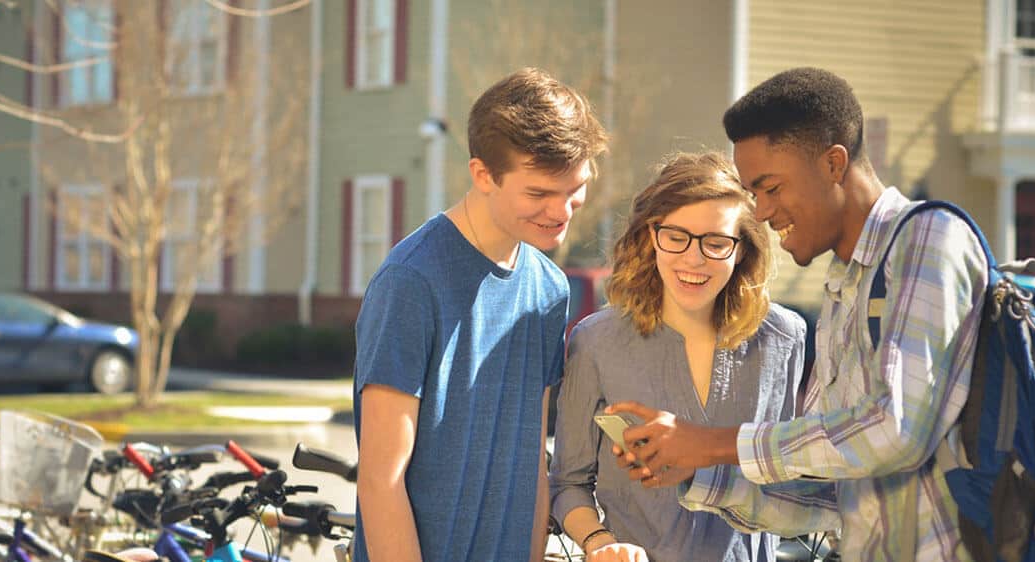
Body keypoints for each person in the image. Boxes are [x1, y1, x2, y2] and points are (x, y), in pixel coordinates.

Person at [608, 67, 991, 561]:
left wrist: (713, 443)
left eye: (771, 187)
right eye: (754, 194)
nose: (762, 213)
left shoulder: (929, 238)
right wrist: (696, 468)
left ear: (834, 164)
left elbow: (896, 430)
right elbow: (832, 495)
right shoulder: (842, 287)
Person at [352, 67, 609, 562]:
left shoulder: (550, 288)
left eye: (573, 190)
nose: (561, 212)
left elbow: (533, 460)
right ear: (483, 175)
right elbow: (381, 479)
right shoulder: (410, 282)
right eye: (538, 193)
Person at [550, 151, 806, 562]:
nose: (693, 258)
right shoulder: (596, 341)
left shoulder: (784, 337)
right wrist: (600, 541)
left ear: (742, 249)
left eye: (716, 242)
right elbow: (567, 484)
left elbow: (787, 475)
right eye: (676, 236)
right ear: (652, 235)